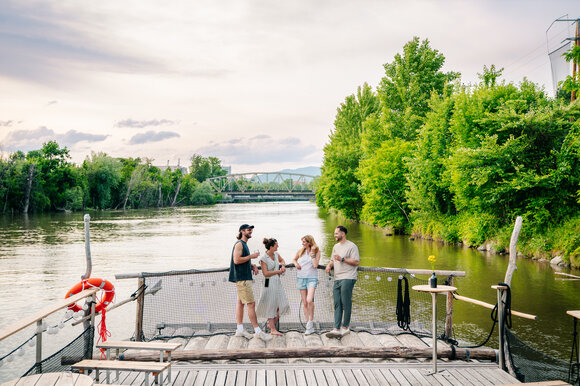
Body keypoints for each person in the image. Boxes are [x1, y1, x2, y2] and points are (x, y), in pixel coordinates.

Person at [229, 224, 272, 342]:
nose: (251, 231)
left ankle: (239, 329)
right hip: (242, 279)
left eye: (251, 229)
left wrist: (252, 265)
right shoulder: (239, 244)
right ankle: (258, 332)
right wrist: (251, 256)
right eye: (248, 230)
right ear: (242, 231)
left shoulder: (244, 244)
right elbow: (236, 260)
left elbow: (242, 259)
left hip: (243, 277)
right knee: (251, 304)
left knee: (240, 303)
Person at [325, 225, 359, 338]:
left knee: (345, 302)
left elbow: (356, 262)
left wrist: (342, 259)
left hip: (348, 277)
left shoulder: (352, 246)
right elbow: (332, 260)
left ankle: (345, 327)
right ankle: (336, 328)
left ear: (342, 234)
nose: (334, 235)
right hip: (337, 277)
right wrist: (329, 266)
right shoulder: (335, 246)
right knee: (337, 303)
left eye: (336, 233)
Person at [256, 238, 290, 336]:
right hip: (268, 282)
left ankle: (271, 324)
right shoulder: (263, 258)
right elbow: (265, 273)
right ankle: (273, 329)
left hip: (276, 282)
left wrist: (283, 265)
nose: (278, 246)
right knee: (271, 304)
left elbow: (282, 260)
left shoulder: (276, 254)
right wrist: (278, 271)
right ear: (271, 247)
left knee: (283, 305)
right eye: (276, 245)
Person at [292, 235, 320, 335]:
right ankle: (308, 325)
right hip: (301, 278)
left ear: (309, 242)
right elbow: (294, 259)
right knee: (304, 303)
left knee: (309, 300)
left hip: (312, 278)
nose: (302, 243)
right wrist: (296, 264)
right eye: (302, 242)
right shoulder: (300, 251)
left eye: (304, 242)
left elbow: (315, 265)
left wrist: (312, 254)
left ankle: (310, 322)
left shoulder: (316, 251)